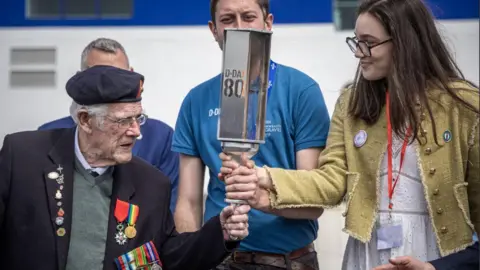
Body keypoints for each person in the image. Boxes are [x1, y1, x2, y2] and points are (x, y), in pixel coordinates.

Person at [218, 0, 480, 269]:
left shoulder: (465, 107)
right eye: (356, 41)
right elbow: (332, 181)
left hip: (439, 256)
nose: (359, 53)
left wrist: (436, 268)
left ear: (405, 42)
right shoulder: (352, 102)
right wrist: (263, 175)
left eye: (369, 42)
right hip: (368, 254)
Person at [0, 65, 250, 270]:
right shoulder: (22, 157)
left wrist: (220, 233)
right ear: (86, 120)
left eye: (138, 118)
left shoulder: (151, 184)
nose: (137, 132)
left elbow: (169, 255)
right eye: (123, 121)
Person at [171, 0, 330, 269]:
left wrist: (261, 197)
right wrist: (191, 256)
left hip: (289, 261)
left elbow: (314, 200)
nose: (240, 28)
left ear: (268, 23)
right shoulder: (196, 101)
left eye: (248, 17)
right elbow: (188, 201)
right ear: (214, 30)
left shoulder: (301, 91)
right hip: (219, 259)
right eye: (228, 20)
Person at [38, 38, 180, 213]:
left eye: (119, 76)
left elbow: (168, 214)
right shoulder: (48, 139)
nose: (111, 87)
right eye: (98, 77)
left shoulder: (160, 138)